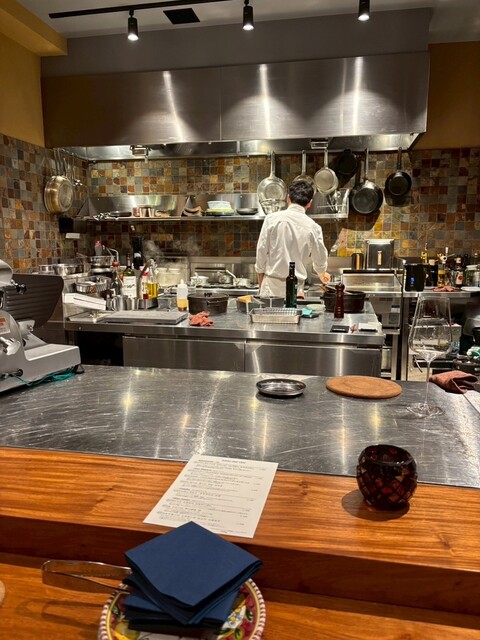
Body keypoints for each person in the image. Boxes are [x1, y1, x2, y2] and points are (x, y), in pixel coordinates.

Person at [255, 180, 331, 298]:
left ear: (288, 198)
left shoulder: (271, 219)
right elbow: (320, 258)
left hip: (271, 287)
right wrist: (321, 272)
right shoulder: (313, 227)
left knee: (269, 311)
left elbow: (261, 252)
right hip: (296, 289)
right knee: (293, 311)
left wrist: (261, 283)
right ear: (309, 203)